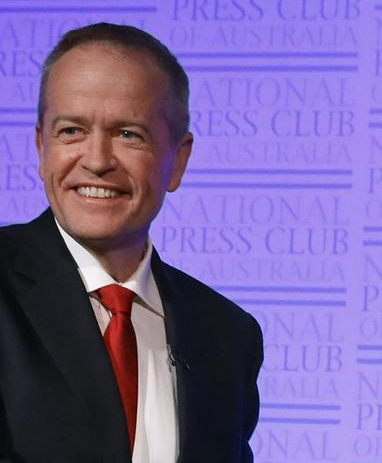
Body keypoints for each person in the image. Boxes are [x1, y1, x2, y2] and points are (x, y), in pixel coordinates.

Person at [0, 23, 263, 462]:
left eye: (128, 134)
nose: (98, 160)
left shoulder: (227, 337)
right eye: (71, 131)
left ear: (178, 160)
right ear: (41, 146)